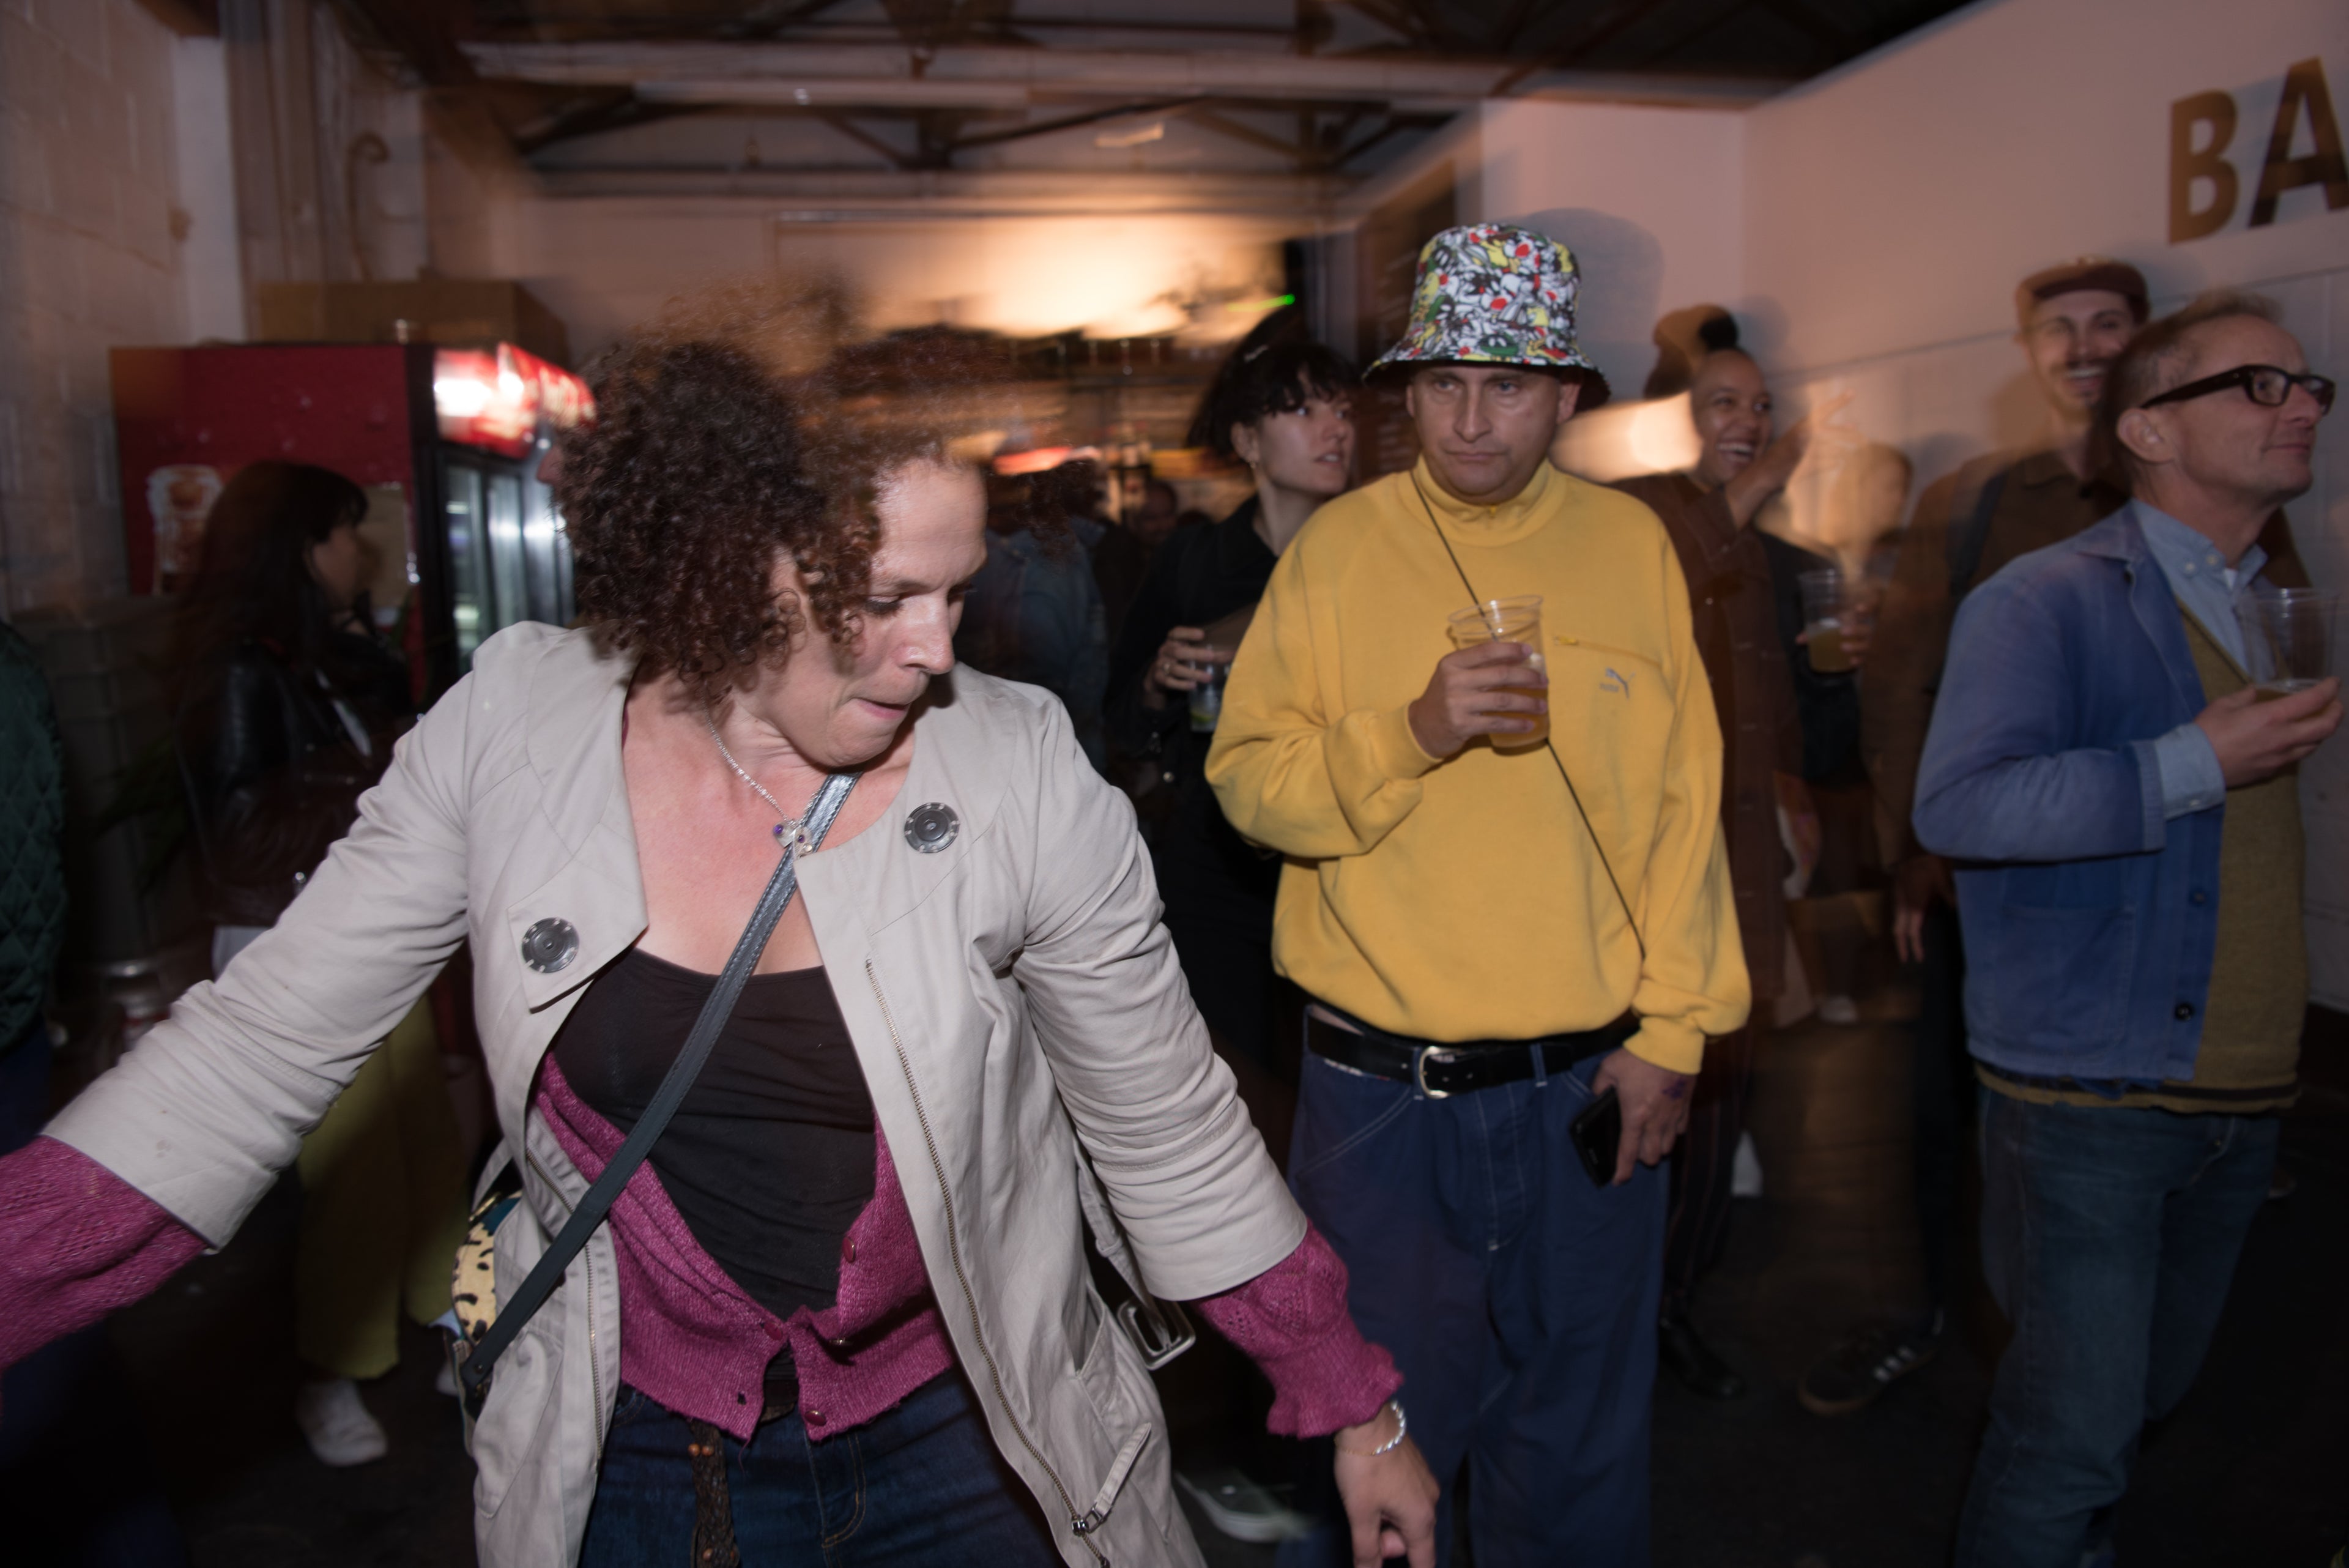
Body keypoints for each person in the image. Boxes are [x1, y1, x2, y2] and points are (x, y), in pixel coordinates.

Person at [0, 309, 1438, 1568]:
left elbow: (1164, 1116)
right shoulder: (515, 731)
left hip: (969, 1430)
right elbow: (248, 1055)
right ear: (723, 562)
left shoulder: (1017, 767)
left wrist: (1348, 1397)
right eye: (884, 599)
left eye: (955, 591)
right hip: (638, 1443)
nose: (938, 651)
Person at [1207, 224, 1748, 1566]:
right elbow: (1252, 785)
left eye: (1505, 385)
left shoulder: (1632, 546)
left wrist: (1678, 1032)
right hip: (1382, 1105)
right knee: (1377, 1451)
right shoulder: (1337, 552)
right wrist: (1412, 732)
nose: (1467, 419)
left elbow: (1687, 810)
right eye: (1442, 382)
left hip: (1590, 1092)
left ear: (1564, 397)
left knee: (1580, 1454)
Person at [1814, 257, 2309, 1415]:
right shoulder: (1983, 499)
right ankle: (1930, 1323)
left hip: (2168, 918)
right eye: (2060, 329)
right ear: (2033, 354)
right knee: (1961, 1122)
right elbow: (1905, 684)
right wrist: (1914, 854)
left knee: (2118, 1297)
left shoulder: (2241, 511)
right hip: (1997, 875)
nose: (2084, 345)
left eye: (2108, 323)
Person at [1913, 292, 2339, 1567]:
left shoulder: (2268, 598)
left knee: (2133, 1411)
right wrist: (2188, 761)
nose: (2302, 405)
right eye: (2258, 384)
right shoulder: (2045, 597)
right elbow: (1961, 806)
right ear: (2149, 428)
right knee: (2069, 1441)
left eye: (2310, 385)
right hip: (2089, 1097)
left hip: (2241, 1088)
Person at [173, 459, 469, 1466]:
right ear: (303, 547)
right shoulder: (239, 668)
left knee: (424, 1143)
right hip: (293, 951)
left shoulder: (310, 654)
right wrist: (377, 778)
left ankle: (449, 1316)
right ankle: (329, 1371)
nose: (360, 549)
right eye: (345, 532)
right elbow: (241, 839)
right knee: (352, 1171)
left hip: (363, 933)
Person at [1613, 312, 1850, 1400]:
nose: (1751, 422)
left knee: (1721, 1115)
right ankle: (1618, 1317)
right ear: (1678, 421)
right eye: (1725, 403)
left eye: (1762, 405)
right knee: (1647, 1109)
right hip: (1655, 890)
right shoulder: (1634, 521)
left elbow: (1796, 734)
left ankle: (1673, 1302)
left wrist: (1832, 689)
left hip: (1748, 879)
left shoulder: (1775, 557)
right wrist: (1760, 482)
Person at [1106, 313, 1358, 1109]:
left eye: (1343, 410)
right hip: (1217, 866)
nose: (1335, 429)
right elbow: (1120, 717)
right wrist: (1159, 682)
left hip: (1344, 860)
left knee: (1336, 1092)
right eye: (1304, 410)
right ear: (1248, 441)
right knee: (1233, 1091)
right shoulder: (1194, 560)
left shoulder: (1378, 552)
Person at [954, 455, 1112, 770]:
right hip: (1035, 748)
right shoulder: (1046, 557)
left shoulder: (1053, 556)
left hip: (1034, 746)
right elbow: (1050, 681)